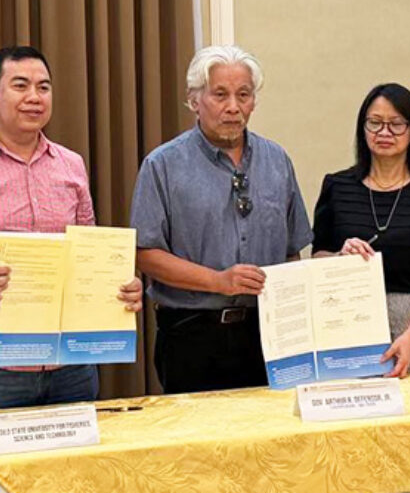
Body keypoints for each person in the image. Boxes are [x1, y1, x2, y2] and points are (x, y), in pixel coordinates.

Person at [0, 46, 143, 413]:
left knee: (71, 467)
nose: (34, 98)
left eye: (44, 87)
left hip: (70, 363)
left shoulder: (71, 166)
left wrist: (118, 284)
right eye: (20, 86)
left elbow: (89, 244)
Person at [130, 45, 311, 394]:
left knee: (269, 443)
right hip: (192, 335)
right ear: (194, 100)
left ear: (254, 101)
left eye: (243, 95)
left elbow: (292, 251)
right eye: (220, 95)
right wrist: (218, 281)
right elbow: (145, 253)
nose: (233, 107)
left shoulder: (277, 161)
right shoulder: (163, 165)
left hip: (268, 334)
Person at [311, 83, 410, 376]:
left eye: (396, 124)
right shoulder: (337, 187)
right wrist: (340, 256)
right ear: (362, 130)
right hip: (348, 319)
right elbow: (318, 256)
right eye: (374, 123)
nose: (384, 133)